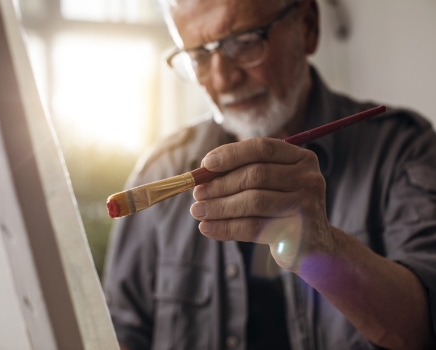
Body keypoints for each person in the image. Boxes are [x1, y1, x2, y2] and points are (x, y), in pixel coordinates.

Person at [104, 0, 436, 349]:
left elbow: (424, 330)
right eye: (199, 56)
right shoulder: (160, 168)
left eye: (244, 41)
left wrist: (323, 248)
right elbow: (119, 333)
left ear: (307, 27)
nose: (222, 78)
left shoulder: (402, 150)